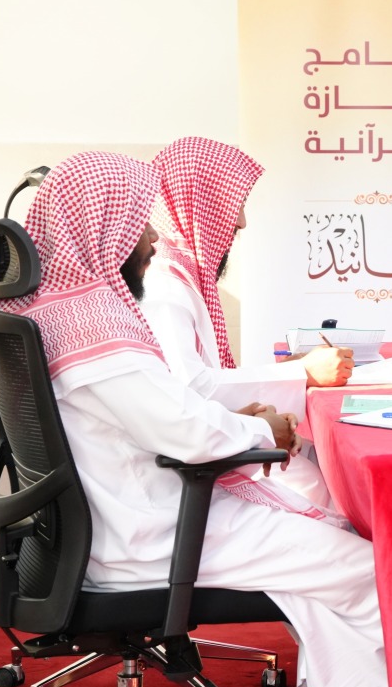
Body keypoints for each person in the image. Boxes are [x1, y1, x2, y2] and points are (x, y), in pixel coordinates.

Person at [0, 150, 388, 687]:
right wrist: (262, 432)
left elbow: (166, 409)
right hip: (150, 535)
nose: (153, 236)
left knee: (317, 569)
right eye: (139, 223)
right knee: (374, 571)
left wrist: (235, 422)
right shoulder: (90, 329)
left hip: (124, 518)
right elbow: (185, 431)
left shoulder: (58, 309)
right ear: (105, 227)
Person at [141, 136, 351, 526]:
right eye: (233, 204)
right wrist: (299, 376)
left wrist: (265, 409)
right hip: (190, 484)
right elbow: (190, 390)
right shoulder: (164, 288)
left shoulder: (181, 275)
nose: (241, 221)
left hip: (215, 449)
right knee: (333, 514)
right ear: (200, 203)